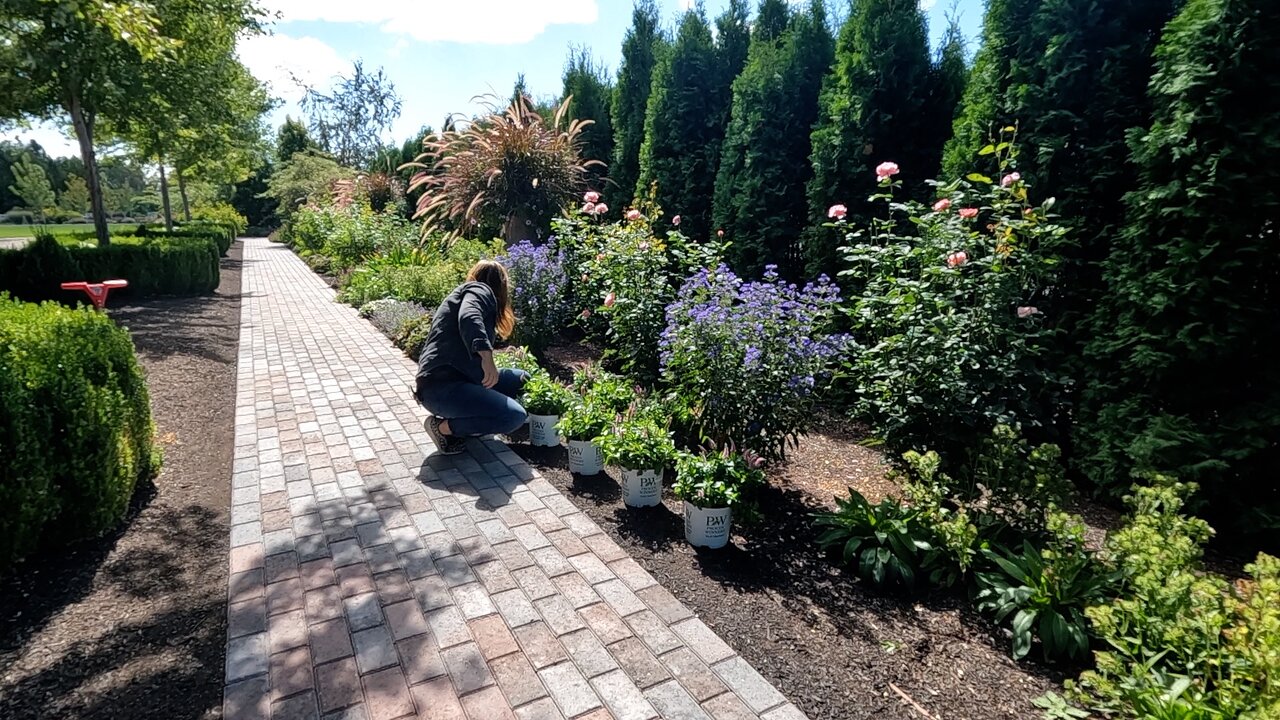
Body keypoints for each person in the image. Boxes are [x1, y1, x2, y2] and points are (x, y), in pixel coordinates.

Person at [415, 260, 529, 455]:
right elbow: (468, 317)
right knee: (514, 416)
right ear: (501, 285)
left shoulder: (469, 293)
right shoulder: (479, 290)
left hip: (458, 381)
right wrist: (486, 356)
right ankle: (443, 428)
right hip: (442, 388)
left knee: (522, 379)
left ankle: (473, 422)